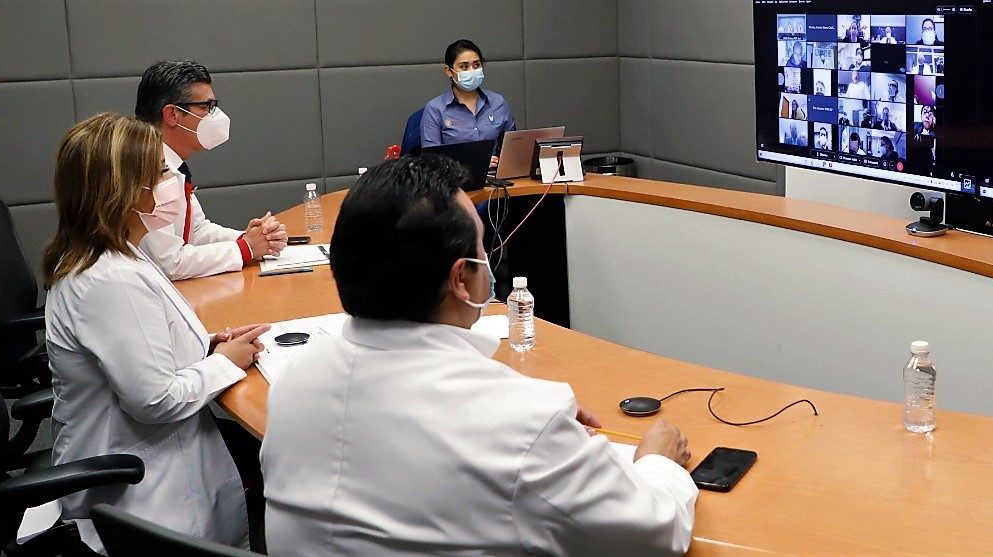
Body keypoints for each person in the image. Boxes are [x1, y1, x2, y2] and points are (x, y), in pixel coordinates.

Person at [261, 155, 697, 556]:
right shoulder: (522, 421)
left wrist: (542, 433)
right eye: (482, 247)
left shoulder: (291, 383)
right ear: (460, 279)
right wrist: (657, 462)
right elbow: (654, 535)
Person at [44, 112, 268, 554]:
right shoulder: (108, 280)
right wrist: (224, 364)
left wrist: (210, 346)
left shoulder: (118, 252)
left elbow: (142, 344)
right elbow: (154, 399)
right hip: (141, 483)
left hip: (153, 455)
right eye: (161, 172)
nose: (171, 181)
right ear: (125, 190)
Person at [134, 60, 288, 280]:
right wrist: (246, 249)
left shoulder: (173, 163)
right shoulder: (146, 169)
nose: (215, 115)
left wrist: (250, 239)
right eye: (206, 107)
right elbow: (169, 262)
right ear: (172, 115)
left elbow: (196, 232)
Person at [419, 39, 518, 166]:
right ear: (449, 71)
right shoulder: (435, 109)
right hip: (454, 180)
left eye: (476, 65)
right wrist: (474, 162)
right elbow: (431, 161)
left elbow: (513, 149)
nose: (472, 71)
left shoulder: (498, 103)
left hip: (496, 178)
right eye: (464, 67)